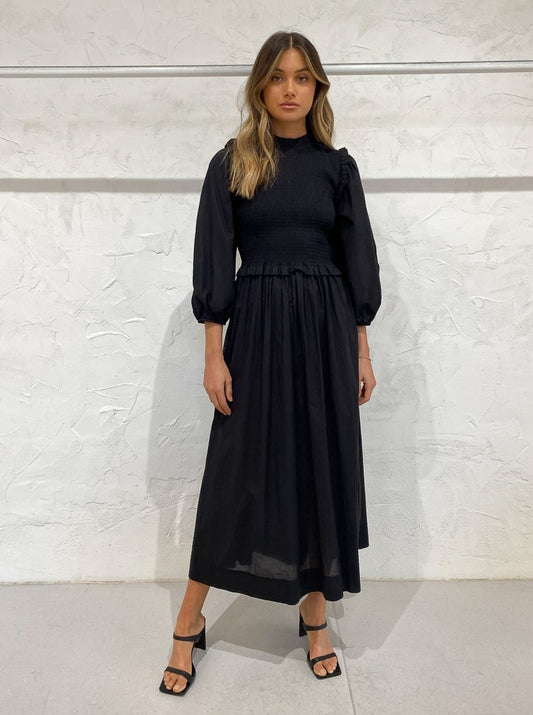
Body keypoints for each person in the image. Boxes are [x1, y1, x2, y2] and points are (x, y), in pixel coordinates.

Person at [159, 30, 382, 696]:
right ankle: (188, 621)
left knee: (317, 464)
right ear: (260, 86)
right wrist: (213, 355)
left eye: (302, 77)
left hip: (325, 330)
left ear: (317, 88)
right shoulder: (233, 162)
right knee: (235, 474)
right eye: (279, 76)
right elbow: (213, 259)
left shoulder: (337, 168)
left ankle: (313, 616)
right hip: (255, 331)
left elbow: (357, 263)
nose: (290, 88)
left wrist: (361, 349)